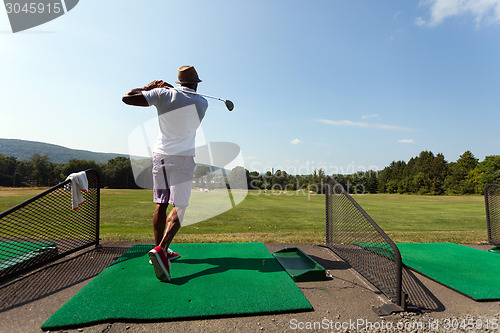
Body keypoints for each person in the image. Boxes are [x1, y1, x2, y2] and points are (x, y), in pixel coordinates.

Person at [122, 66, 208, 282]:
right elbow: (181, 100)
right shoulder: (202, 103)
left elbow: (127, 98)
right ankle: (162, 249)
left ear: (178, 82)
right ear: (196, 83)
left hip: (161, 155)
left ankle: (157, 250)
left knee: (161, 204)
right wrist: (167, 91)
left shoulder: (162, 95)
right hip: (184, 157)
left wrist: (149, 87)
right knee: (180, 205)